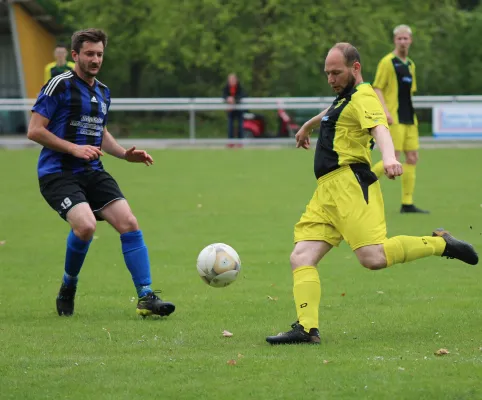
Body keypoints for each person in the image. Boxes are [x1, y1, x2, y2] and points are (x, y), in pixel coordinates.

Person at [266, 43, 478, 345]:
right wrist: (307, 125)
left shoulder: (364, 96)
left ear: (355, 68)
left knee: (373, 258)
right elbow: (333, 110)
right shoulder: (345, 99)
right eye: (327, 73)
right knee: (301, 257)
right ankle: (306, 328)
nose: (331, 79)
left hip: (351, 186)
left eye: (336, 72)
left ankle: (439, 243)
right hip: (326, 192)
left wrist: (390, 157)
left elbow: (380, 128)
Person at [28, 28, 175, 318]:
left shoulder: (103, 91)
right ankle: (68, 287)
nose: (95, 59)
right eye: (89, 54)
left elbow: (100, 132)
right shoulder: (59, 84)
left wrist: (123, 154)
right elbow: (34, 130)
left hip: (92, 170)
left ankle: (146, 296)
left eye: (99, 54)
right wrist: (73, 149)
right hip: (58, 173)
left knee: (129, 222)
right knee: (85, 226)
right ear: (75, 56)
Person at [371, 25, 428, 213]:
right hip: (393, 117)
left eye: (406, 38)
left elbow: (409, 93)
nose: (403, 42)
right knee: (393, 158)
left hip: (409, 118)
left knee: (412, 157)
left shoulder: (411, 64)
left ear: (411, 40)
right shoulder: (388, 62)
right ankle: (363, 180)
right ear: (395, 40)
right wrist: (385, 111)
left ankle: (407, 203)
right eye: (399, 39)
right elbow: (377, 87)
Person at [223, 73, 245, 139]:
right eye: (230, 80)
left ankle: (240, 141)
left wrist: (234, 99)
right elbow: (224, 95)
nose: (232, 81)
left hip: (239, 109)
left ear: (236, 80)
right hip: (230, 110)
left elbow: (242, 95)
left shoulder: (239, 87)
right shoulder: (226, 87)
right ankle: (230, 141)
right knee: (230, 126)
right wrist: (228, 98)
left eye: (233, 79)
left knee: (240, 126)